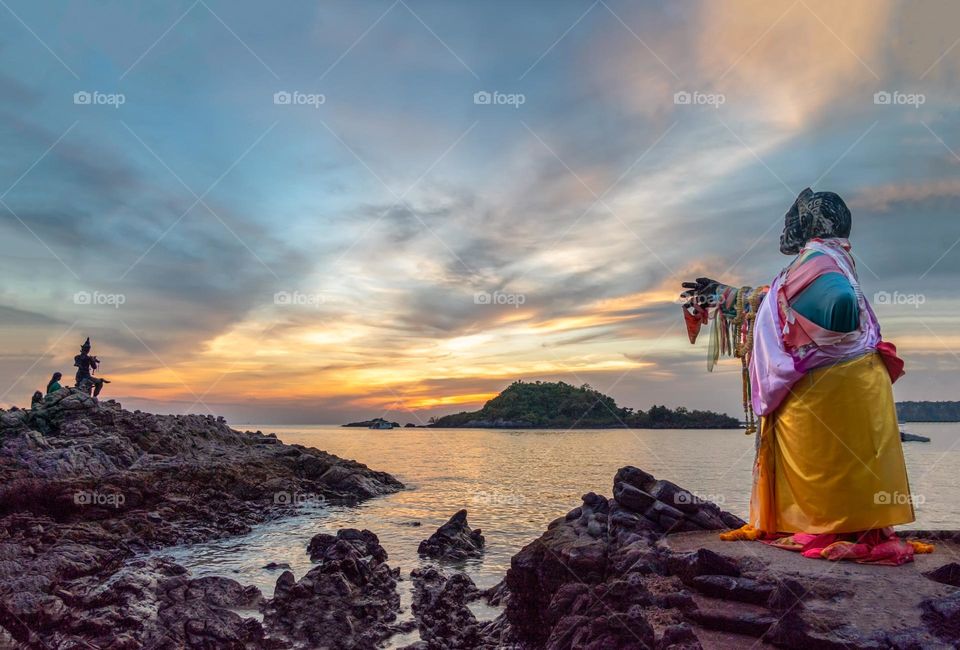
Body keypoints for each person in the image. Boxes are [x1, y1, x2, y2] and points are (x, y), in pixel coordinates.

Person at [680, 188, 930, 564]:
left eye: (796, 218)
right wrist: (723, 294)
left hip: (832, 384)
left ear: (811, 222)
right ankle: (849, 525)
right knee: (845, 463)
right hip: (852, 378)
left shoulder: (819, 262)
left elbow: (839, 301)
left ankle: (835, 525)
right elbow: (779, 301)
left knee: (831, 460)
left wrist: (831, 317)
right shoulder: (831, 258)